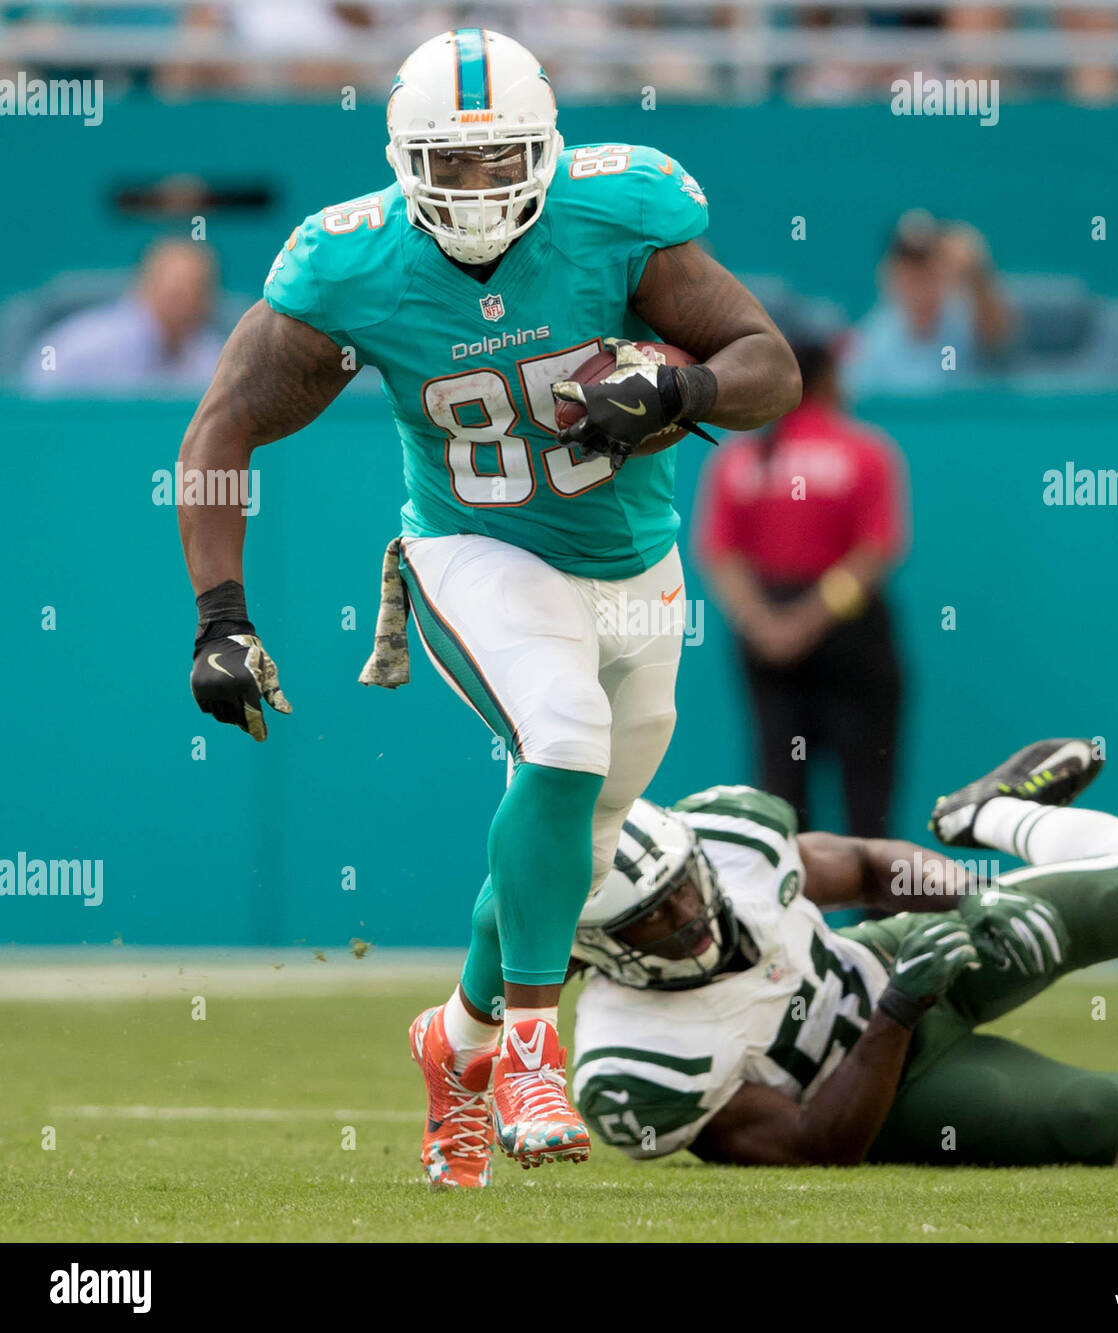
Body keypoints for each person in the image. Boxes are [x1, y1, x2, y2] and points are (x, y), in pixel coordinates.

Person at [176, 28, 799, 1187]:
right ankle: (525, 1052)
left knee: (562, 854)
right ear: (401, 159)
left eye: (498, 157)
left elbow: (770, 361)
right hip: (473, 547)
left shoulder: (620, 214)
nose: (474, 186)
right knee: (558, 737)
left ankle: (452, 1042)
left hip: (638, 570)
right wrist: (221, 615)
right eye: (447, 164)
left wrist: (685, 384)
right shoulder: (350, 264)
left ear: (546, 148)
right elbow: (222, 427)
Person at [570, 739, 1118, 1168]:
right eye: (648, 916)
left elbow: (868, 866)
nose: (683, 915)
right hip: (881, 1094)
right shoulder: (634, 1062)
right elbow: (813, 1143)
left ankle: (989, 814)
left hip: (898, 956)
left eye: (680, 887)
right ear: (601, 945)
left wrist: (975, 899)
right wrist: (900, 1009)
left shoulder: (733, 845)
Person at [695, 299, 908, 839]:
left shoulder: (737, 458)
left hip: (766, 643)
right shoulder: (866, 451)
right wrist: (810, 621)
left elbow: (719, 554)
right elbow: (876, 552)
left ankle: (781, 918)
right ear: (830, 375)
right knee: (868, 801)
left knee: (778, 801)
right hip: (851, 635)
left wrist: (766, 626)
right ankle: (875, 922)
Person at [840, 209, 1009, 398]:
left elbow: (998, 341)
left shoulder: (968, 317)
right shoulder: (873, 338)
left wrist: (978, 273)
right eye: (908, 270)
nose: (918, 280)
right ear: (890, 274)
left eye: (926, 268)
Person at [23, 238, 223, 392]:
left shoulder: (216, 361)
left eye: (197, 293)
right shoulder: (78, 348)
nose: (185, 305)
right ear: (143, 286)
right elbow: (35, 418)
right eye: (175, 294)